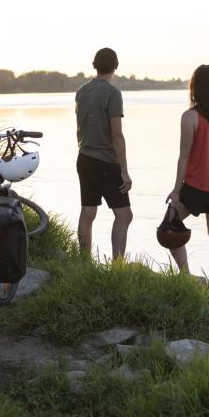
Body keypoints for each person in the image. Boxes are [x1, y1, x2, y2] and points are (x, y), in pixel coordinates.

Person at [166, 64, 209, 279]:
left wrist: (176, 191)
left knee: (169, 227)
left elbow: (184, 157)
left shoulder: (189, 117)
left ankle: (186, 276)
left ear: (194, 88)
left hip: (197, 187)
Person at [75, 47, 133, 259]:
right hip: (106, 161)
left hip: (84, 158)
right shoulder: (113, 94)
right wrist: (124, 171)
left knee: (88, 211)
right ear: (116, 66)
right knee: (124, 215)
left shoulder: (81, 91)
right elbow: (116, 134)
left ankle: (83, 261)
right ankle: (117, 265)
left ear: (94, 65)